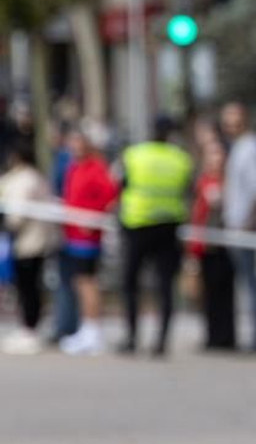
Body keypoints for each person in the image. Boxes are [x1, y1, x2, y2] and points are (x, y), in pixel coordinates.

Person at [119, 115, 195, 356]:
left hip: (137, 224)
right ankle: (162, 341)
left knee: (131, 283)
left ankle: (132, 337)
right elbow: (188, 191)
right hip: (168, 225)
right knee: (165, 286)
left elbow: (122, 185)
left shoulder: (134, 154)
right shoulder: (181, 159)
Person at [221, 102, 256, 352]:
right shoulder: (239, 147)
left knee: (253, 282)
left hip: (245, 228)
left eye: (235, 121)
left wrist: (249, 224)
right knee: (249, 282)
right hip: (235, 225)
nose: (230, 126)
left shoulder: (250, 147)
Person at [57, 123, 117, 355]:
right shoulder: (75, 167)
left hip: (87, 235)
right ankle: (86, 327)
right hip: (72, 233)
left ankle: (93, 330)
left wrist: (92, 219)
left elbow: (109, 195)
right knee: (79, 283)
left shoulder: (96, 167)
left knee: (87, 283)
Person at [0, 145, 58, 354]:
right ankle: (27, 327)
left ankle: (30, 329)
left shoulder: (25, 180)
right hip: (34, 240)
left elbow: (18, 212)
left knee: (28, 287)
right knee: (28, 286)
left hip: (29, 242)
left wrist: (8, 225)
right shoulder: (32, 177)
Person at [189, 135, 237, 352]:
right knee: (207, 293)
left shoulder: (229, 182)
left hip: (223, 244)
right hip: (205, 244)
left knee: (224, 291)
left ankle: (226, 335)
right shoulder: (202, 182)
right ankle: (212, 335)